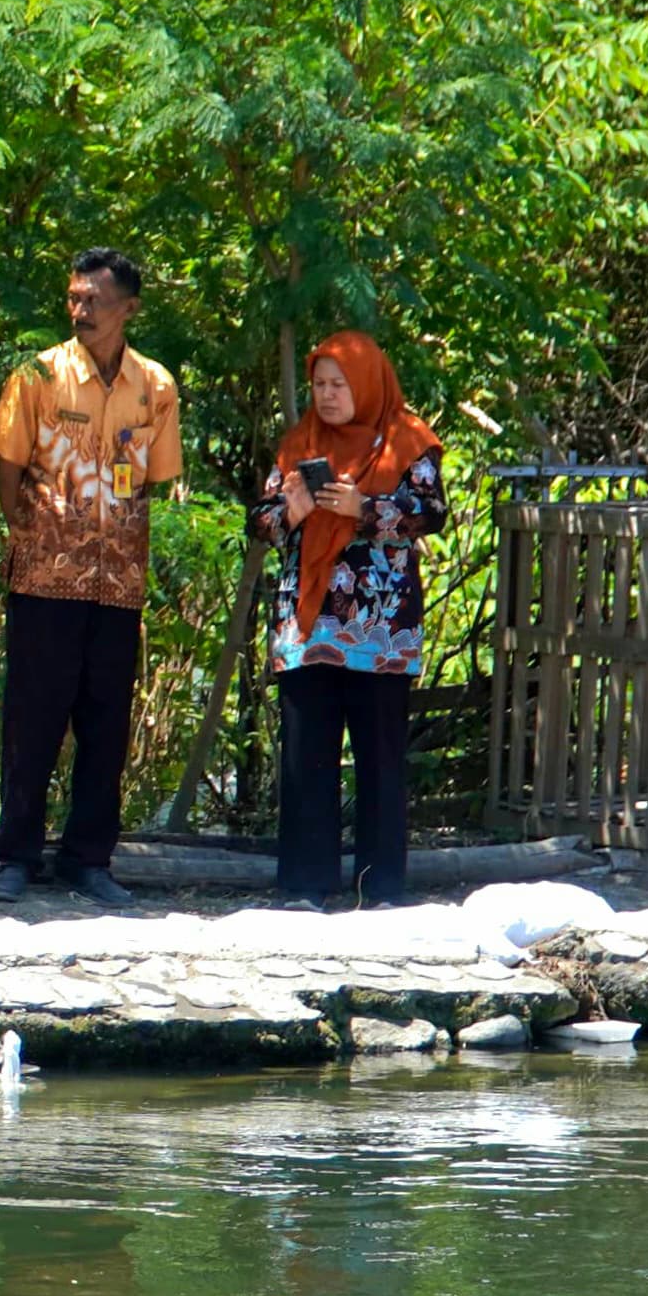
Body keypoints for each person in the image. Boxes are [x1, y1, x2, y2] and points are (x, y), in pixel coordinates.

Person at [0, 247, 183, 910]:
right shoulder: (37, 374)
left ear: (128, 308)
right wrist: (31, 527)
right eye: (72, 298)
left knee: (105, 724)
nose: (79, 310)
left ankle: (87, 859)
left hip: (117, 580)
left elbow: (154, 477)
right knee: (32, 721)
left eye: (93, 300)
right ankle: (13, 856)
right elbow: (7, 466)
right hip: (44, 576)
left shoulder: (154, 385)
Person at [253, 328, 447, 910]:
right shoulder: (298, 443)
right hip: (307, 625)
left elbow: (432, 513)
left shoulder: (409, 442)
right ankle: (306, 885)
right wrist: (291, 509)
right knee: (306, 753)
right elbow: (260, 522)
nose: (328, 395)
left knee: (381, 756)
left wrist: (366, 510)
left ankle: (379, 885)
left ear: (367, 382)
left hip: (381, 625)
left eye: (339, 384)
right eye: (319, 384)